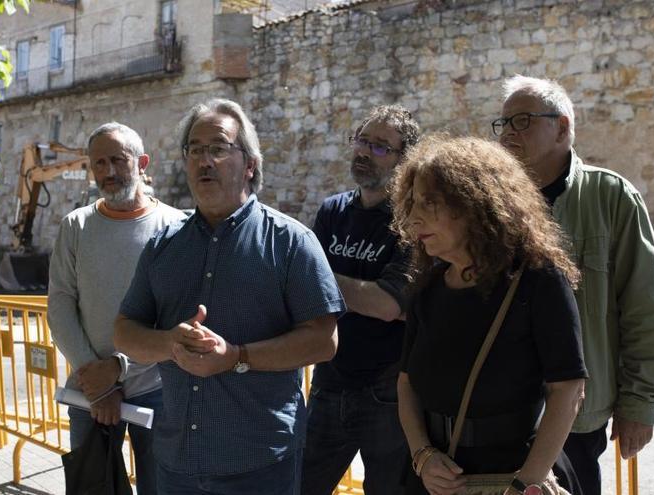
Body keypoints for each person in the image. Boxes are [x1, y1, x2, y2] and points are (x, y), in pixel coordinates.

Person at [114, 98, 345, 494]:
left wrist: (236, 358)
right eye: (195, 150)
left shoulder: (290, 241)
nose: (205, 161)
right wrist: (170, 343)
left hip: (259, 464)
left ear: (250, 164)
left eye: (218, 148)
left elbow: (324, 342)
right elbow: (124, 331)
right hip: (175, 463)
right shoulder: (163, 246)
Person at [495, 75, 654, 494]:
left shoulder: (611, 197)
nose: (508, 134)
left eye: (522, 120)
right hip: (498, 411)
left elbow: (644, 305)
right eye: (503, 123)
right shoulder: (489, 202)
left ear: (561, 126)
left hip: (576, 414)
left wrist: (639, 403)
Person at [391, 136, 587, 495]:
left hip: (515, 474)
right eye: (413, 203)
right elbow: (406, 385)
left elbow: (568, 389)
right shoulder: (427, 287)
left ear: (473, 204)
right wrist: (423, 455)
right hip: (434, 481)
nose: (413, 218)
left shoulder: (537, 280)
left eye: (429, 203)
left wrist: (526, 482)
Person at [48, 122, 186, 494]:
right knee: (92, 486)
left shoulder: (176, 227)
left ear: (141, 162)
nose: (108, 172)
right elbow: (60, 305)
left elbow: (178, 320)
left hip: (158, 388)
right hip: (89, 387)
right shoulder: (75, 226)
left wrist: (119, 370)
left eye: (118, 160)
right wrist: (96, 379)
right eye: (99, 163)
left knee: (160, 488)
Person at [302, 105, 419, 495]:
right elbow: (305, 296)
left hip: (386, 391)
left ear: (405, 159)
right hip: (329, 381)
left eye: (382, 147)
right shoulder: (333, 211)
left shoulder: (412, 220)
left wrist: (318, 277)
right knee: (300, 485)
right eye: (363, 140)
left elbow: (388, 305)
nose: (365, 152)